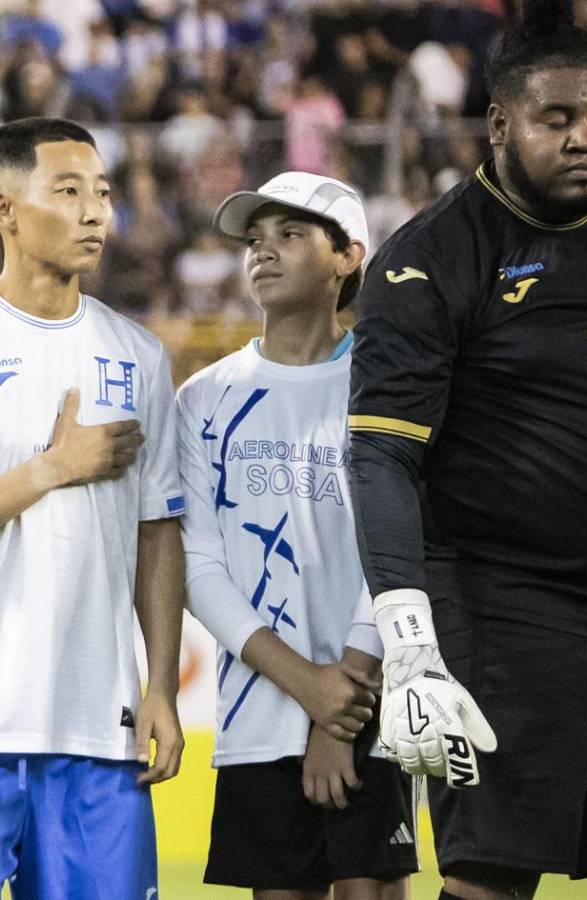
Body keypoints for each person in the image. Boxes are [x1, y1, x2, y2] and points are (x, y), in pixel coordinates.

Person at [347, 3, 587, 899]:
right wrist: (410, 647)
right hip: (510, 610)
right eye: (558, 120)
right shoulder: (427, 261)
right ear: (500, 124)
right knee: (492, 879)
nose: (586, 138)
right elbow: (382, 460)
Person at [0, 116, 186, 900]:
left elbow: (158, 534)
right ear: (4, 209)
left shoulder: (139, 356)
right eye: (69, 191)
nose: (96, 212)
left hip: (101, 723)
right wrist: (54, 468)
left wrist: (162, 686)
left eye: (103, 193)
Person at [178, 172, 417, 898]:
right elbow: (197, 565)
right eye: (255, 240)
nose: (264, 252)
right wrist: (310, 688)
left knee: (369, 891)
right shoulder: (205, 396)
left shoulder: (387, 387)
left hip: (369, 709)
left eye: (290, 234)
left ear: (348, 257)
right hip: (259, 715)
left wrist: (340, 706)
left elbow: (399, 544)